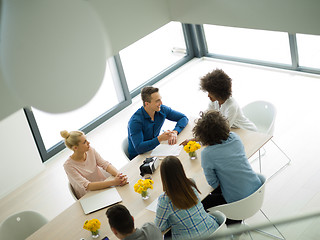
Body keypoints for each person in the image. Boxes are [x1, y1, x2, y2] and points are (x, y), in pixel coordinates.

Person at [192, 110, 262, 224]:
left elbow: (213, 183)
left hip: (238, 203)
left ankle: (231, 224)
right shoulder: (235, 137)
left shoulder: (207, 153)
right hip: (256, 190)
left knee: (202, 203)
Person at [155, 156, 219, 240]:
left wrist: (171, 221)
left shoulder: (165, 200)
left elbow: (158, 227)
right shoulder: (191, 183)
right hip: (214, 230)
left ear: (163, 176)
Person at [61, 130, 128, 199]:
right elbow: (88, 186)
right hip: (89, 195)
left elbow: (105, 164)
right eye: (84, 142)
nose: (88, 143)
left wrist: (119, 176)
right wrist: (114, 182)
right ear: (75, 147)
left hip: (104, 186)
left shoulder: (90, 150)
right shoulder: (68, 166)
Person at [127, 86, 188, 159]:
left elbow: (183, 118)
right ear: (147, 104)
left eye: (160, 99)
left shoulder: (161, 109)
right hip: (138, 157)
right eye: (157, 101)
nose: (161, 103)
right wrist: (159, 139)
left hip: (154, 150)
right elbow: (139, 148)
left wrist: (175, 132)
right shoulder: (135, 122)